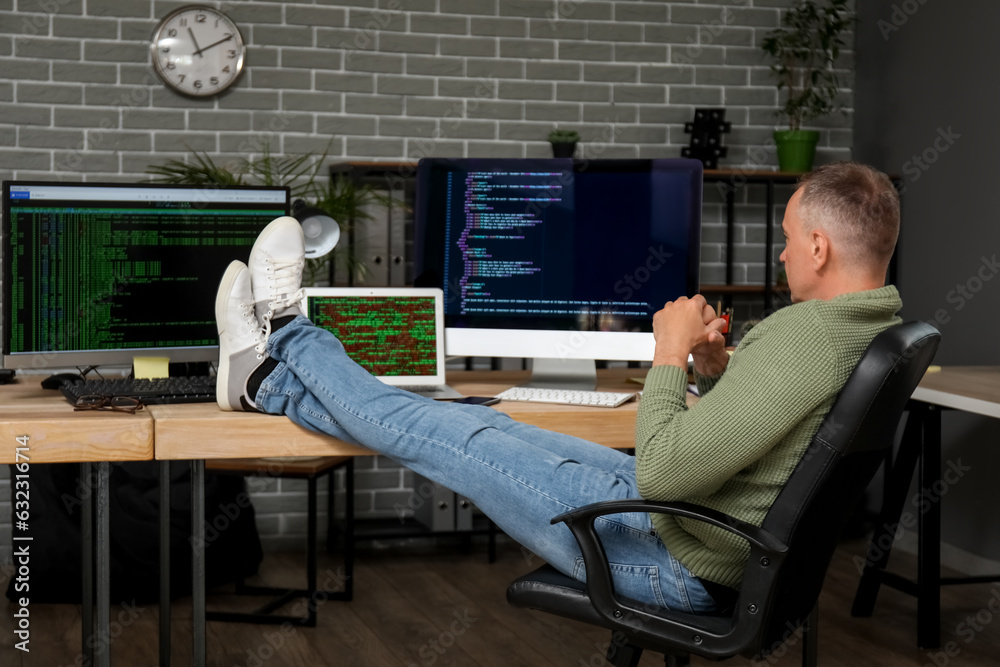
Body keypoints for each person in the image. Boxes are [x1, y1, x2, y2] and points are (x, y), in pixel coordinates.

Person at [214, 161, 902, 613]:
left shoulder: (806, 333)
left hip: (675, 554)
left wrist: (665, 352)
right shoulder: (874, 328)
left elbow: (662, 469)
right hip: (707, 535)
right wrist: (715, 371)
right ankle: (264, 380)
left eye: (786, 239)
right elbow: (765, 446)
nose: (780, 254)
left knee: (445, 430)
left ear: (819, 247)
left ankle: (285, 334)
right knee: (486, 423)